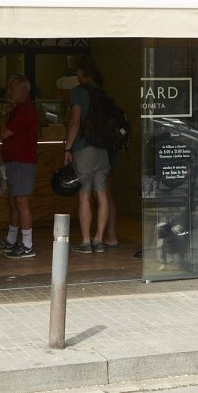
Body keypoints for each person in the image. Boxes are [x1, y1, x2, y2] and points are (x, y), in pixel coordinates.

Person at [64, 56, 111, 253]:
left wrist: (68, 148)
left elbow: (75, 121)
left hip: (84, 148)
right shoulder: (103, 93)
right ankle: (99, 239)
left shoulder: (79, 92)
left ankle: (85, 241)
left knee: (84, 195)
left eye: (78, 73)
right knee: (102, 195)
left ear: (83, 73)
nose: (76, 76)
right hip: (103, 149)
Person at [0, 74, 39, 259]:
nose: (9, 92)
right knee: (13, 201)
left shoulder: (26, 110)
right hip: (13, 162)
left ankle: (27, 245)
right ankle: (11, 240)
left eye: (13, 88)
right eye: (8, 88)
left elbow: (3, 133)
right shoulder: (18, 110)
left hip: (22, 162)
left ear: (24, 90)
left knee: (21, 202)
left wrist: (3, 113)